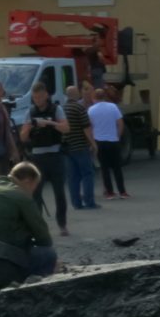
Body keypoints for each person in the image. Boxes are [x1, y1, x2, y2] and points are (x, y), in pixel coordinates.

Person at [0, 160, 59, 293]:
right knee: (47, 254)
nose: (33, 191)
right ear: (27, 181)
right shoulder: (21, 196)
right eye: (35, 186)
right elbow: (44, 237)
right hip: (4, 263)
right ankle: (35, 294)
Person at [21, 84, 70, 237]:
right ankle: (38, 227)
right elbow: (23, 137)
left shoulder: (56, 109)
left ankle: (62, 224)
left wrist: (50, 123)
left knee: (59, 192)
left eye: (40, 97)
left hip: (55, 154)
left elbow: (66, 128)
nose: (38, 100)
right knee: (36, 193)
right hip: (38, 156)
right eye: (35, 98)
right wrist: (29, 127)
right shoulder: (30, 112)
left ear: (46, 95)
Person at [60, 81, 99, 212]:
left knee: (73, 177)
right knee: (87, 174)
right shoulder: (79, 108)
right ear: (75, 94)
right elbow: (86, 128)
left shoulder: (62, 109)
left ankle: (76, 203)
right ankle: (89, 201)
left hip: (67, 147)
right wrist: (93, 144)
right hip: (80, 146)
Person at [89, 86, 129, 198]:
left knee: (104, 168)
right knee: (117, 167)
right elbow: (120, 123)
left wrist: (92, 142)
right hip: (113, 140)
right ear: (105, 97)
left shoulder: (91, 110)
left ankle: (109, 192)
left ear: (94, 97)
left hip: (99, 142)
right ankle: (122, 191)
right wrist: (118, 136)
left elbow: (90, 127)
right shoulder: (113, 107)